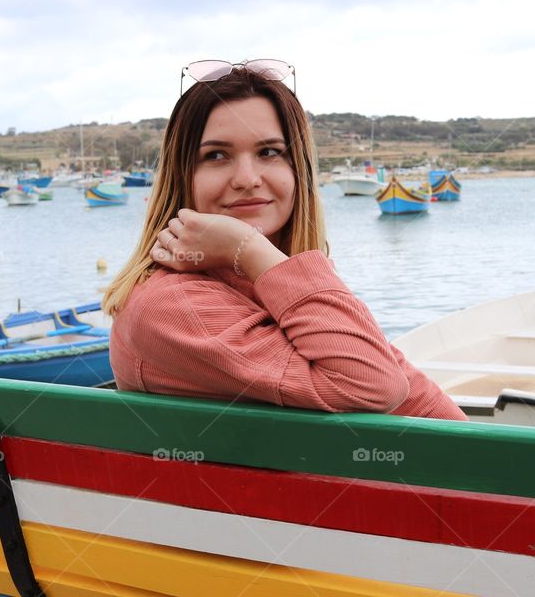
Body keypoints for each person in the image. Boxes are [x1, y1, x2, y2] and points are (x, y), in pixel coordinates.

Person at [103, 60, 466, 421]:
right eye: (216, 155)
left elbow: (412, 393)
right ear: (182, 175)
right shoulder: (170, 304)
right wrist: (248, 248)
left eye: (269, 152)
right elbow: (375, 385)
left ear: (297, 170)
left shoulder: (262, 282)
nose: (247, 179)